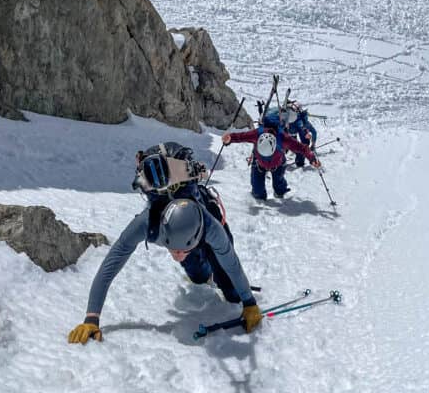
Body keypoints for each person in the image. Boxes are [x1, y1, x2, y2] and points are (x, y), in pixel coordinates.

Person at [68, 143, 262, 343]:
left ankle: (223, 283)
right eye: (173, 250)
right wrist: (91, 318)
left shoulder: (212, 227)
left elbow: (231, 261)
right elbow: (111, 263)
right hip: (190, 235)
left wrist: (248, 302)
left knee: (230, 289)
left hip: (203, 220)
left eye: (181, 250)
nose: (177, 255)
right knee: (197, 276)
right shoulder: (145, 223)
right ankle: (205, 275)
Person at [222, 120, 320, 200]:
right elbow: (241, 136)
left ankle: (280, 190)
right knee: (258, 192)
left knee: (279, 186)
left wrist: (312, 158)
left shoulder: (283, 138)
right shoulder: (256, 134)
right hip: (259, 162)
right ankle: (260, 196)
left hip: (278, 163)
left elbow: (302, 148)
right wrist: (230, 138)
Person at [284, 101, 318, 167]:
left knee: (300, 146)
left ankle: (300, 161)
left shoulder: (300, 121)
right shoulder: (287, 116)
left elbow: (312, 132)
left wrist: (312, 144)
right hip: (290, 132)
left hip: (294, 132)